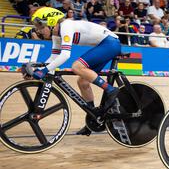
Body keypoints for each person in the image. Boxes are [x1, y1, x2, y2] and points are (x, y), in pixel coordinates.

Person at [29, 7, 122, 136]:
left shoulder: (66, 26)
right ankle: (93, 117)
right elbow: (54, 58)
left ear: (50, 22)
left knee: (77, 67)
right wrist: (37, 69)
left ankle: (111, 90)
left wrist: (44, 70)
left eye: (40, 26)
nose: (39, 31)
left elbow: (65, 55)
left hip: (110, 43)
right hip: (104, 44)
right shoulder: (56, 35)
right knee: (83, 82)